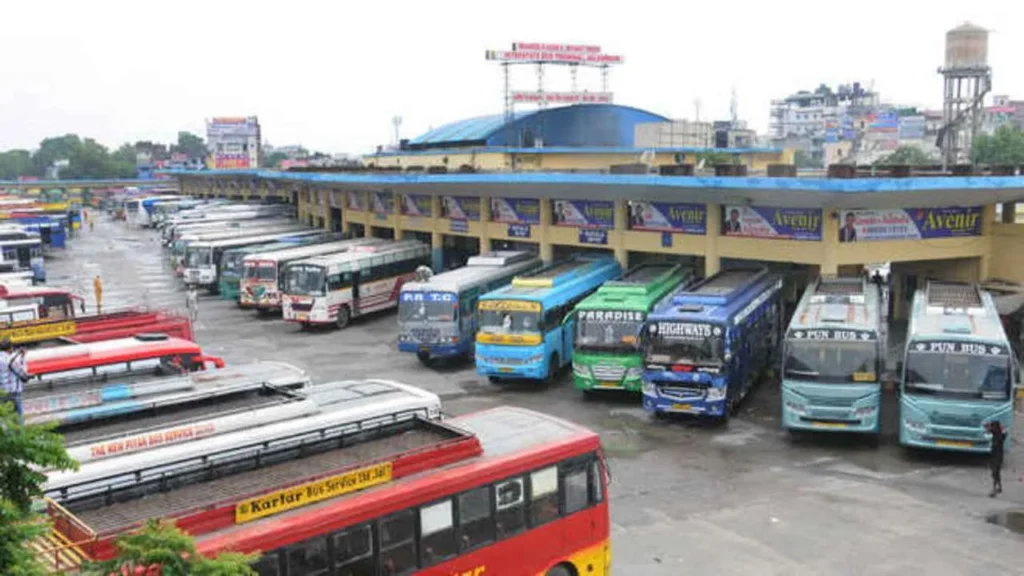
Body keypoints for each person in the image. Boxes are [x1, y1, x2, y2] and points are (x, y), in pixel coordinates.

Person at [0, 339, 30, 423]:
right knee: (18, 419)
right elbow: (24, 375)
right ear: (10, 349)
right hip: (13, 393)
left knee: (4, 419)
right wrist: (23, 358)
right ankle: (19, 435)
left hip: (1, 393)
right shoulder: (10, 360)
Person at [986, 421, 1006, 497]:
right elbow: (987, 429)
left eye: (992, 426)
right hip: (995, 455)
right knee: (996, 472)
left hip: (997, 456)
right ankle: (999, 487)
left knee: (995, 472)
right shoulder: (997, 433)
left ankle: (994, 489)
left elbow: (988, 430)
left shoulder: (1000, 435)